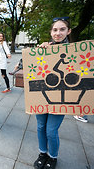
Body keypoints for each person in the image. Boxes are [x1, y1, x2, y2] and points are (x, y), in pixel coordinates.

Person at [33, 17, 72, 169]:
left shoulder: (74, 50)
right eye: (55, 30)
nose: (58, 33)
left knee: (51, 130)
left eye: (62, 29)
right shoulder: (45, 48)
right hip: (43, 95)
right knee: (40, 126)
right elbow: (29, 65)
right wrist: (39, 50)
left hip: (60, 97)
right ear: (51, 32)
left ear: (68, 31)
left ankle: (53, 157)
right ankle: (42, 153)